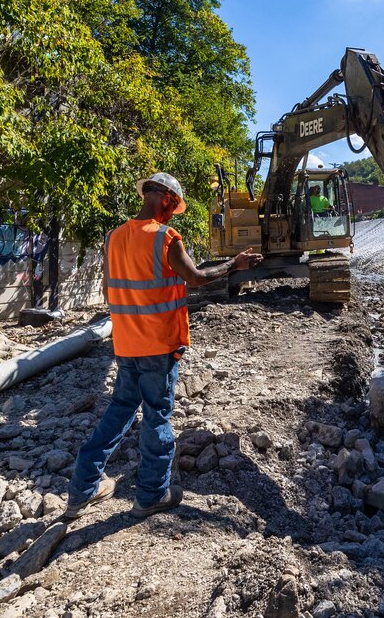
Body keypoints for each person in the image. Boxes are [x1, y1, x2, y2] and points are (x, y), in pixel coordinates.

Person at [65, 173, 263, 520]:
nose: (174, 214)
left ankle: (82, 491)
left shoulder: (113, 238)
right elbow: (197, 279)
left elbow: (109, 291)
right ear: (168, 200)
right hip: (158, 346)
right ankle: (151, 494)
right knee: (157, 416)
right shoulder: (165, 238)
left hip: (126, 344)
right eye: (174, 206)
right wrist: (236, 264)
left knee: (119, 411)